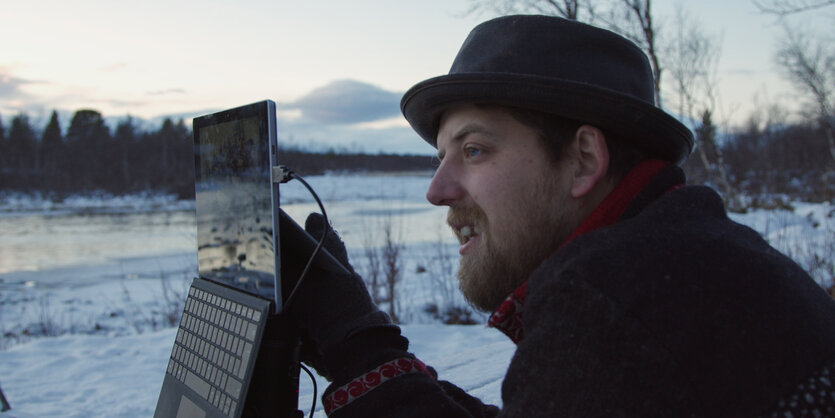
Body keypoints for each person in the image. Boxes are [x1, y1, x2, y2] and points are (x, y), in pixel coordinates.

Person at [286, 15, 835, 417]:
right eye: (441, 158)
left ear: (584, 160)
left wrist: (355, 345)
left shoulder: (610, 298)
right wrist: (362, 350)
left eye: (474, 150)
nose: (437, 189)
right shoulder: (693, 255)